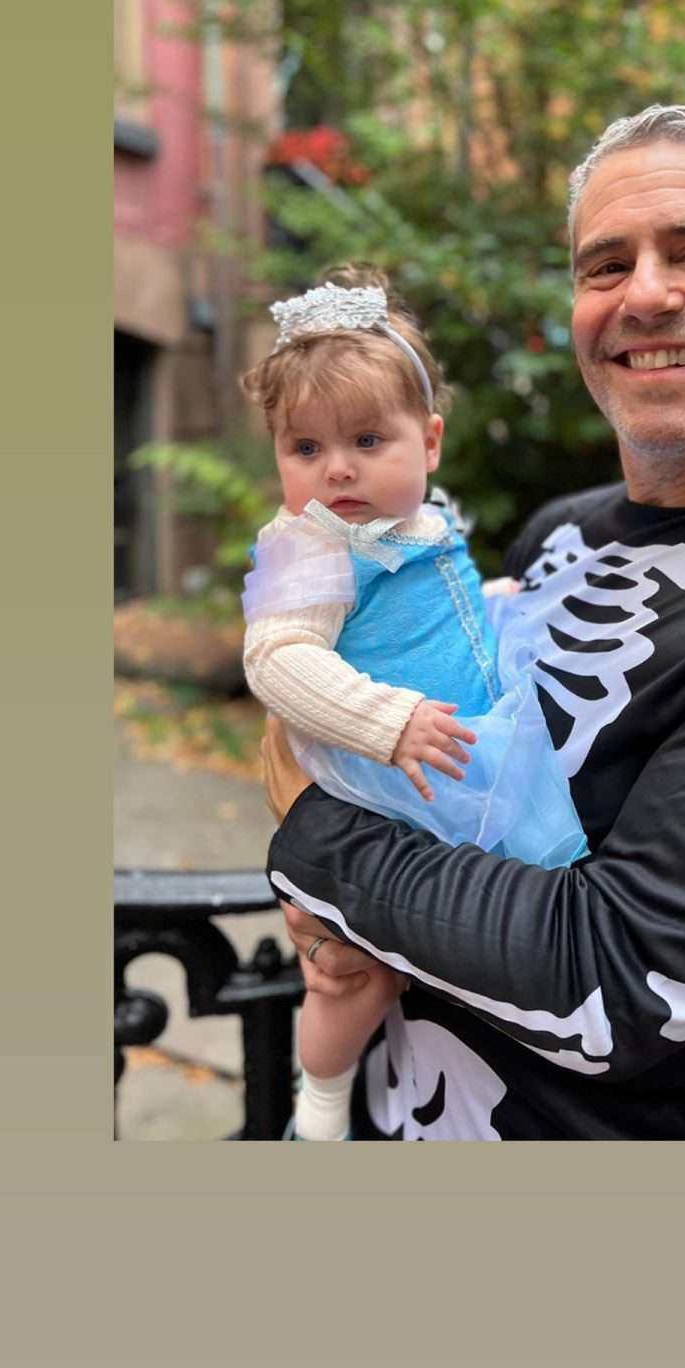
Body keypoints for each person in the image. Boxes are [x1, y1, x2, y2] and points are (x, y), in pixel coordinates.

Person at [263, 104, 685, 1141]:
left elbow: (615, 983)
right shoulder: (555, 533)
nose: (648, 293)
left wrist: (308, 828)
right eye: (604, 264)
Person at [240, 266, 585, 1139]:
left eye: (365, 439)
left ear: (428, 442)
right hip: (377, 767)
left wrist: (497, 602)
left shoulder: (416, 522)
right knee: (356, 970)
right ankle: (320, 1096)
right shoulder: (307, 546)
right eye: (305, 449)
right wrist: (382, 722)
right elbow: (277, 658)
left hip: (452, 749)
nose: (336, 470)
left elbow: (443, 607)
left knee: (465, 921)